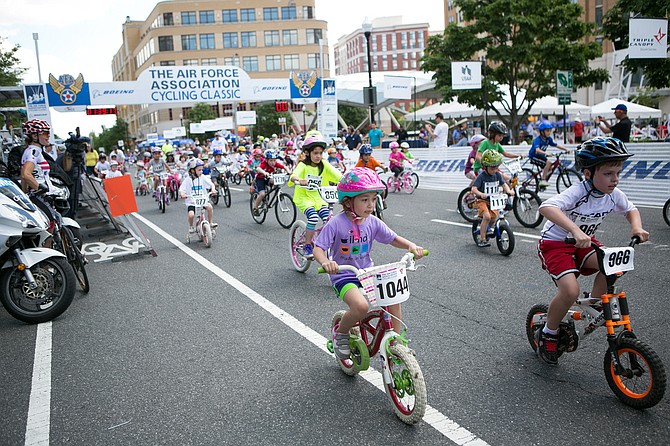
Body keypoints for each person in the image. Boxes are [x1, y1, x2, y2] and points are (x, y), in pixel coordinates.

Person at [535, 137, 648, 365]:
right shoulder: (578, 191)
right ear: (588, 174)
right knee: (570, 291)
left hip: (584, 243)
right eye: (608, 173)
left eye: (618, 172)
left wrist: (636, 227)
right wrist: (575, 230)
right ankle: (549, 332)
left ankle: (595, 302)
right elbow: (546, 207)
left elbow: (631, 209)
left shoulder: (613, 194)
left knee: (613, 265)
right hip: (556, 244)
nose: (615, 179)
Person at [313, 167, 425, 358]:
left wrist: (411, 246)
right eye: (364, 200)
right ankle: (340, 334)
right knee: (361, 307)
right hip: (344, 275)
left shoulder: (372, 221)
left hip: (367, 273)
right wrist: (326, 262)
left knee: (393, 300)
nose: (370, 204)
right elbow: (318, 248)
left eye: (374, 199)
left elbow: (393, 238)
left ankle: (396, 344)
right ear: (348, 201)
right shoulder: (336, 223)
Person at [288, 135, 342, 259]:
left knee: (329, 219)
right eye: (315, 153)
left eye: (320, 153)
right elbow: (293, 175)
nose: (318, 156)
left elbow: (337, 174)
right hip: (304, 198)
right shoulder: (303, 165)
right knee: (312, 218)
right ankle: (307, 244)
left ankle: (325, 243)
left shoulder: (324, 164)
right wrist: (299, 180)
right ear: (307, 153)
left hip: (320, 198)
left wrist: (348, 181)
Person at [471, 150, 514, 248]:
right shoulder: (481, 176)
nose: (495, 170)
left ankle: (487, 229)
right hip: (482, 201)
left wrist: (508, 191)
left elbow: (503, 184)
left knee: (494, 217)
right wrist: (480, 194)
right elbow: (473, 189)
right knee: (487, 217)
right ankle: (482, 239)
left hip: (493, 201)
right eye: (492, 168)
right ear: (485, 166)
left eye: (497, 167)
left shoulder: (498, 175)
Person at [179, 159, 218, 234]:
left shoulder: (202, 177)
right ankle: (191, 226)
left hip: (202, 200)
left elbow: (211, 184)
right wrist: (182, 194)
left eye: (202, 170)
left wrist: (213, 189)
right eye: (199, 170)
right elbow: (181, 189)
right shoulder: (188, 180)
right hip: (192, 202)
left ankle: (210, 223)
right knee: (191, 215)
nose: (201, 172)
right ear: (192, 171)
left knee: (209, 207)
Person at [529, 121, 570, 187]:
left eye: (550, 130)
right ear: (542, 132)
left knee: (551, 168)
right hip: (534, 156)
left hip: (541, 156)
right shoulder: (537, 140)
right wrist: (546, 153)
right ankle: (542, 180)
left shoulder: (548, 139)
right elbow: (537, 150)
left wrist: (566, 149)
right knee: (549, 162)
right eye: (547, 131)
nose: (549, 132)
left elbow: (556, 145)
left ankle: (542, 181)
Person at [19, 119, 54, 194]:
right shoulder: (34, 152)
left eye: (49, 132)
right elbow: (26, 174)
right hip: (40, 196)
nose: (49, 135)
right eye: (45, 133)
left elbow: (23, 177)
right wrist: (41, 191)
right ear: (35, 136)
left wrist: (25, 192)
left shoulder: (32, 151)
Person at [252, 149, 289, 215]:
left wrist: (289, 171)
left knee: (275, 181)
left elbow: (284, 167)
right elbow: (258, 168)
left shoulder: (275, 164)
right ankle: (255, 208)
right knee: (262, 194)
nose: (273, 163)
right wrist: (264, 172)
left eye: (274, 160)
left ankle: (278, 193)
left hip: (268, 178)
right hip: (260, 179)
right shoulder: (264, 163)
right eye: (271, 160)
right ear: (266, 160)